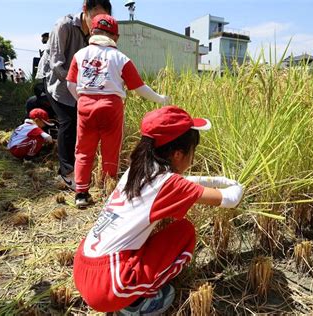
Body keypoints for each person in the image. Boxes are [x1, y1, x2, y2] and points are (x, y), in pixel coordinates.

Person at [73, 106, 244, 314]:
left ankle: (130, 295)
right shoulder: (168, 183)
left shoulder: (137, 169)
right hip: (108, 286)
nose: (193, 158)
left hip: (83, 266)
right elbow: (230, 199)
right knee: (184, 232)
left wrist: (217, 180)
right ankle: (136, 303)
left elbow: (183, 183)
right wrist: (238, 185)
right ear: (178, 154)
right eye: (192, 151)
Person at [66, 14, 170, 208]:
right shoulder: (120, 58)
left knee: (83, 150)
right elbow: (139, 87)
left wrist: (83, 100)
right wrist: (161, 99)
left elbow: (71, 83)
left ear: (92, 32)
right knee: (110, 149)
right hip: (111, 106)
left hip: (85, 105)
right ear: (116, 37)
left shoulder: (79, 55)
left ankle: (81, 193)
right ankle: (108, 190)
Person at [41, 0, 112, 190]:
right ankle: (66, 172)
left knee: (82, 124)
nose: (97, 23)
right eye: (95, 17)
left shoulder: (98, 34)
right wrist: (77, 84)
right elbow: (56, 64)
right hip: (57, 82)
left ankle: (80, 167)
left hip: (81, 85)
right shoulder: (64, 26)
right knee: (68, 122)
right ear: (84, 11)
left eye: (103, 19)